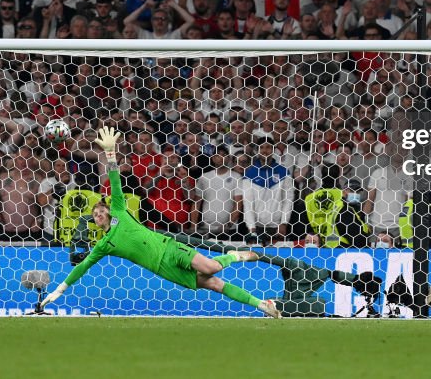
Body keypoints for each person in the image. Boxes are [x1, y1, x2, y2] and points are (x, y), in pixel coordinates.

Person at [41, 126, 281, 318]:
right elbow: (83, 267)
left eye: (102, 210)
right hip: (163, 269)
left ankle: (235, 255)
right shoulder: (104, 245)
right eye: (96, 214)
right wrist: (59, 290)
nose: (99, 213)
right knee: (215, 285)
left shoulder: (120, 212)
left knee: (212, 268)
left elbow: (114, 180)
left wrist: (110, 152)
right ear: (94, 220)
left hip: (170, 248)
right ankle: (263, 305)